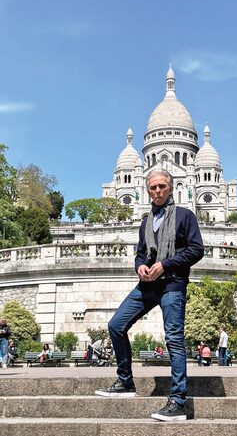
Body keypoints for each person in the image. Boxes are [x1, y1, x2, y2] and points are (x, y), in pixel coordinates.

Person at [95, 169, 204, 422]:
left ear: (171, 188)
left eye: (162, 186)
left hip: (172, 285)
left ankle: (178, 400)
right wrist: (140, 266)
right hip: (147, 285)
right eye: (153, 187)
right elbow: (141, 252)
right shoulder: (146, 220)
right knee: (116, 325)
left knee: (174, 339)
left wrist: (166, 265)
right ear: (147, 190)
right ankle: (125, 382)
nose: (157, 191)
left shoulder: (185, 216)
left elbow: (197, 249)